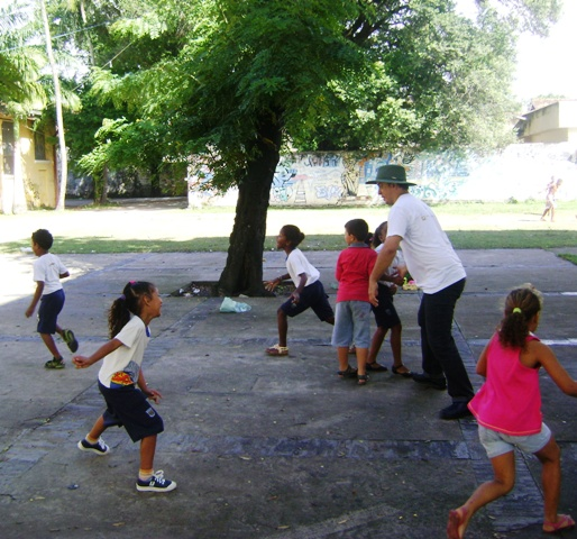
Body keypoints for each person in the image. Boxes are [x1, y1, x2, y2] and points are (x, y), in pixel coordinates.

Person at [447, 285, 577, 538]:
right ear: (536, 317)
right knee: (551, 458)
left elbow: (481, 369)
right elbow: (569, 387)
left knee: (503, 482)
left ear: (506, 313)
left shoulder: (497, 337)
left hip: (489, 422)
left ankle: (465, 511)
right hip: (520, 424)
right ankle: (551, 519)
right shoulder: (536, 348)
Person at [367, 165, 474, 419]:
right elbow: (425, 241)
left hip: (443, 281)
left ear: (394, 185)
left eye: (381, 186)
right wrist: (407, 266)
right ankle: (433, 373)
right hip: (446, 276)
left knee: (440, 338)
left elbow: (390, 247)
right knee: (425, 321)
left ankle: (464, 397)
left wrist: (372, 279)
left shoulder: (400, 208)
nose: (380, 191)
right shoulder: (414, 204)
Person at [73, 281, 176, 493]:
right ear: (146, 300)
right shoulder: (136, 326)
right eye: (158, 296)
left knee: (116, 411)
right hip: (118, 386)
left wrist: (145, 388)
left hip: (110, 382)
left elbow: (133, 362)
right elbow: (113, 344)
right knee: (152, 425)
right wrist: (90, 359)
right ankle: (145, 478)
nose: (161, 300)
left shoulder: (142, 327)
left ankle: (91, 440)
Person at [264, 225, 334, 356]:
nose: (277, 238)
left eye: (280, 236)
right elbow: (297, 272)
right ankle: (352, 335)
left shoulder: (293, 256)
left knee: (281, 312)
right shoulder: (295, 253)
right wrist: (279, 278)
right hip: (316, 286)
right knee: (328, 317)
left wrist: (297, 292)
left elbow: (303, 276)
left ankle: (282, 347)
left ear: (288, 242)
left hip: (308, 288)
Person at [25, 229, 78, 369]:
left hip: (50, 297)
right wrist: (54, 278)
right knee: (47, 319)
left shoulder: (38, 263)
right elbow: (66, 273)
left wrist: (32, 306)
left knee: (43, 329)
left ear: (37, 245)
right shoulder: (53, 258)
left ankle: (58, 358)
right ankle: (64, 334)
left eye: (32, 245)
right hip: (60, 294)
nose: (32, 247)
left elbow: (40, 285)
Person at [333, 219, 377, 385]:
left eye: (345, 233)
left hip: (343, 296)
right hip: (362, 297)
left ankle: (343, 367)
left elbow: (338, 276)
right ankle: (361, 372)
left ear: (351, 236)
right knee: (361, 333)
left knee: (342, 332)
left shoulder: (344, 254)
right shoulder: (372, 254)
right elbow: (373, 276)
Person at [367, 221, 411, 377]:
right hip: (379, 292)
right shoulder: (380, 252)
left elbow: (394, 274)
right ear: (381, 236)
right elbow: (373, 274)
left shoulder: (396, 254)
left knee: (383, 326)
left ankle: (370, 360)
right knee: (396, 326)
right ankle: (397, 364)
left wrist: (394, 284)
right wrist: (391, 282)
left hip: (385, 291)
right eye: (388, 232)